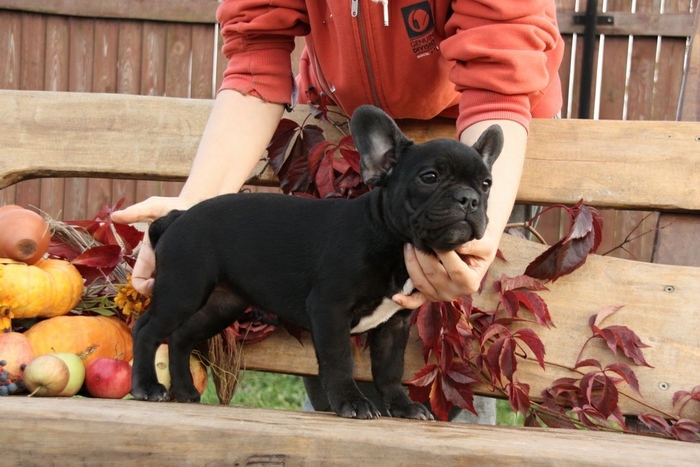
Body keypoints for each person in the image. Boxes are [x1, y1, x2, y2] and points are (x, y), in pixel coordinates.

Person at [112, 0, 564, 420]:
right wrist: (193, 207)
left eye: (474, 188)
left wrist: (476, 231)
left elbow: (500, 74)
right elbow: (256, 48)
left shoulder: (464, 185)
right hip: (348, 144)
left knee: (444, 403)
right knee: (337, 400)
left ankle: (390, 398)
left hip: (474, 127)